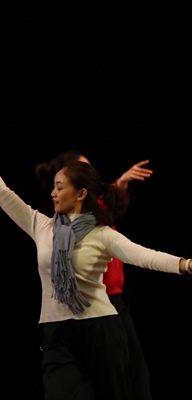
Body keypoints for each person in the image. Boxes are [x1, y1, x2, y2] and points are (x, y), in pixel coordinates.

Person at [0, 123, 190, 400]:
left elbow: (145, 256)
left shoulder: (102, 234)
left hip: (101, 329)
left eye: (59, 187)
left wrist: (186, 264)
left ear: (81, 194)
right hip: (56, 332)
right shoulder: (41, 226)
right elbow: (1, 192)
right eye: (53, 187)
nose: (52, 193)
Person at [35, 150, 154, 400]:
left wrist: (184, 264)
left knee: (133, 376)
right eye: (84, 170)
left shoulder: (96, 219)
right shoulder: (64, 222)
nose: (93, 176)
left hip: (111, 302)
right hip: (93, 307)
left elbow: (107, 206)